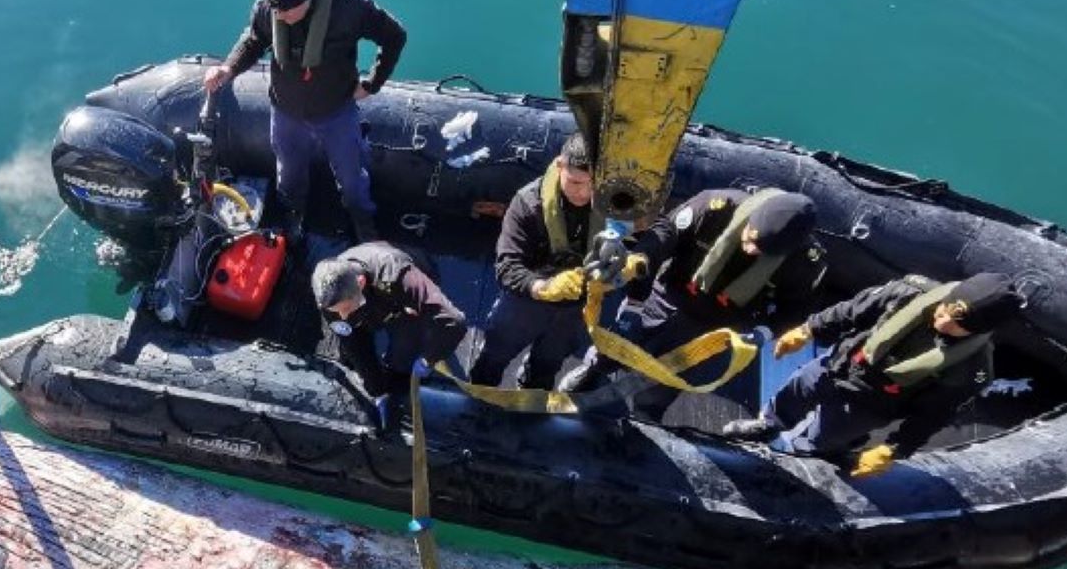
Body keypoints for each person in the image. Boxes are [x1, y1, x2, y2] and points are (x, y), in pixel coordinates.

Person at [721, 272, 1025, 478]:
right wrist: (808, 329)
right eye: (945, 308)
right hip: (838, 365)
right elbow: (853, 310)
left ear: (977, 331)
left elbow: (932, 415)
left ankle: (809, 456)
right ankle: (769, 425)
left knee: (824, 437)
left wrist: (893, 449)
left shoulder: (971, 368)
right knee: (797, 390)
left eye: (956, 322)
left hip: (871, 402)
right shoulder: (910, 292)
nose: (942, 318)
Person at [567, 185, 826, 419]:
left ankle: (646, 415)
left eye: (762, 252)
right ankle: (592, 372)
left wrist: (762, 334)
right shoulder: (714, 206)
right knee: (618, 342)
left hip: (717, 327)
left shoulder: (805, 262)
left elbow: (795, 310)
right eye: (750, 238)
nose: (749, 250)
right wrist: (641, 258)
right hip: (668, 294)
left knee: (665, 382)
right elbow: (666, 231)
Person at [204, 0, 407, 243]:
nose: (280, 16)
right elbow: (253, 40)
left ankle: (362, 222)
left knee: (352, 180)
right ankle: (294, 215)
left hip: (336, 111)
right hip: (286, 111)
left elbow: (395, 36)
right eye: (275, 9)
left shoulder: (351, 8)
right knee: (289, 175)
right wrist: (228, 67)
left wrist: (372, 83)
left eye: (286, 10)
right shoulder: (269, 9)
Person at [469, 133, 643, 390]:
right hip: (526, 301)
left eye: (592, 183)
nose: (583, 193)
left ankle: (530, 400)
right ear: (560, 166)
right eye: (575, 182)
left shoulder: (614, 201)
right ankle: (478, 397)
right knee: (494, 356)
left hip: (576, 307)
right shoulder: (527, 204)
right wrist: (543, 287)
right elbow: (507, 267)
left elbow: (655, 227)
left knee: (546, 367)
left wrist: (636, 259)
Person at [311, 243, 467, 425]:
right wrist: (377, 391)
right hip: (362, 303)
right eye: (335, 311)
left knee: (404, 351)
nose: (342, 316)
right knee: (353, 351)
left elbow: (454, 321)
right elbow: (354, 343)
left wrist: (428, 360)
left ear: (360, 283)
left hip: (401, 298)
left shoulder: (397, 276)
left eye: (345, 309)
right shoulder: (329, 298)